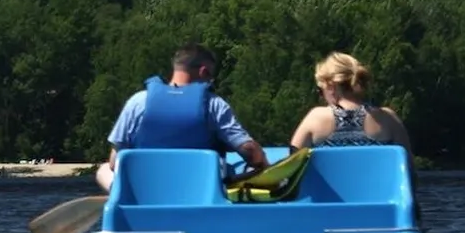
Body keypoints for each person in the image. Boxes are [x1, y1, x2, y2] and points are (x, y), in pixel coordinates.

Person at [96, 44, 267, 191]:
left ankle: (120, 197)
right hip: (200, 190)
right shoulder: (214, 105)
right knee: (230, 169)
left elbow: (114, 162)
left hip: (147, 190)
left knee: (103, 170)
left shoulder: (138, 101)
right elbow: (250, 152)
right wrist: (263, 164)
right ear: (204, 71)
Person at [291, 52, 410, 149]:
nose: (322, 97)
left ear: (330, 86)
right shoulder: (389, 119)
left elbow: (291, 169)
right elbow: (408, 171)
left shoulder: (316, 117)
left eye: (320, 90)